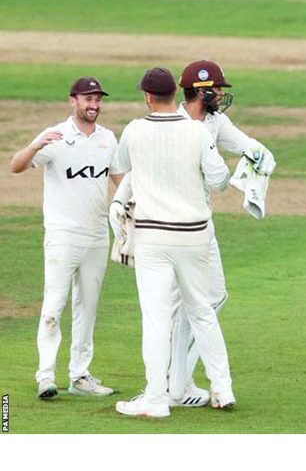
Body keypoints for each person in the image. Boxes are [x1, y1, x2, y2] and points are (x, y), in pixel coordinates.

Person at [110, 60, 271, 408]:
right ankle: (199, 387)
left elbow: (127, 169)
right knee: (195, 310)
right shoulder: (194, 131)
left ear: (150, 97)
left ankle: (163, 393)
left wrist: (258, 159)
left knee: (177, 310)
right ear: (190, 91)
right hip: (193, 231)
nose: (221, 95)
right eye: (216, 89)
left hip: (161, 234)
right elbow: (217, 181)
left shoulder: (145, 128)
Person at [10, 77, 122, 400]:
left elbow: (120, 181)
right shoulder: (55, 136)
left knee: (87, 307)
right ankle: (45, 375)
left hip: (97, 236)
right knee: (53, 306)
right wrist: (36, 146)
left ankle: (80, 375)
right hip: (63, 236)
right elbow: (16, 165)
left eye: (98, 99)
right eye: (88, 99)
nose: (94, 105)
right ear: (73, 101)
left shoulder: (107, 139)